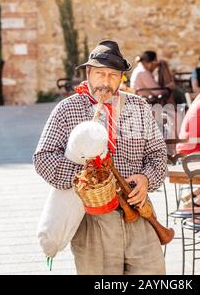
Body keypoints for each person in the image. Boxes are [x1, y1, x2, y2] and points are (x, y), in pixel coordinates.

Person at [33, 40, 167, 275]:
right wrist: (87, 178)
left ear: (121, 78)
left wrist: (146, 179)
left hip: (140, 215)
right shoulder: (67, 109)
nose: (106, 82)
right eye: (100, 74)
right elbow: (43, 158)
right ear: (89, 73)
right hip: (92, 222)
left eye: (113, 75)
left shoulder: (139, 107)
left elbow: (158, 155)